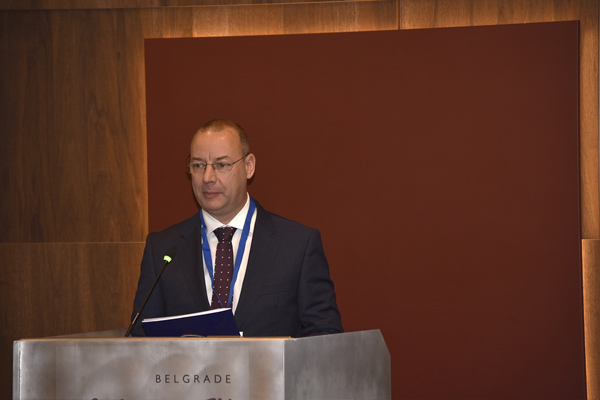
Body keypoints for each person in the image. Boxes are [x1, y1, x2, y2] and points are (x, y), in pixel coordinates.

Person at [130, 119, 343, 337]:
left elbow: (325, 335)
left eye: (222, 165)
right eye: (198, 165)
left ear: (249, 166)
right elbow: (140, 338)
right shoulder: (163, 249)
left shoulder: (297, 245)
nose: (207, 178)